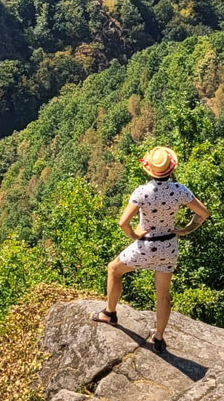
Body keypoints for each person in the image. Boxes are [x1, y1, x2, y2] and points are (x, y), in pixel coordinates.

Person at [90, 145, 209, 352]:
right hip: (169, 246)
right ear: (171, 169)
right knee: (163, 295)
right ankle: (159, 338)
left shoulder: (142, 192)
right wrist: (184, 230)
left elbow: (123, 222)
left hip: (146, 246)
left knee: (113, 269)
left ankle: (109, 313)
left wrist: (135, 235)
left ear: (150, 170)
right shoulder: (180, 190)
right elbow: (203, 213)